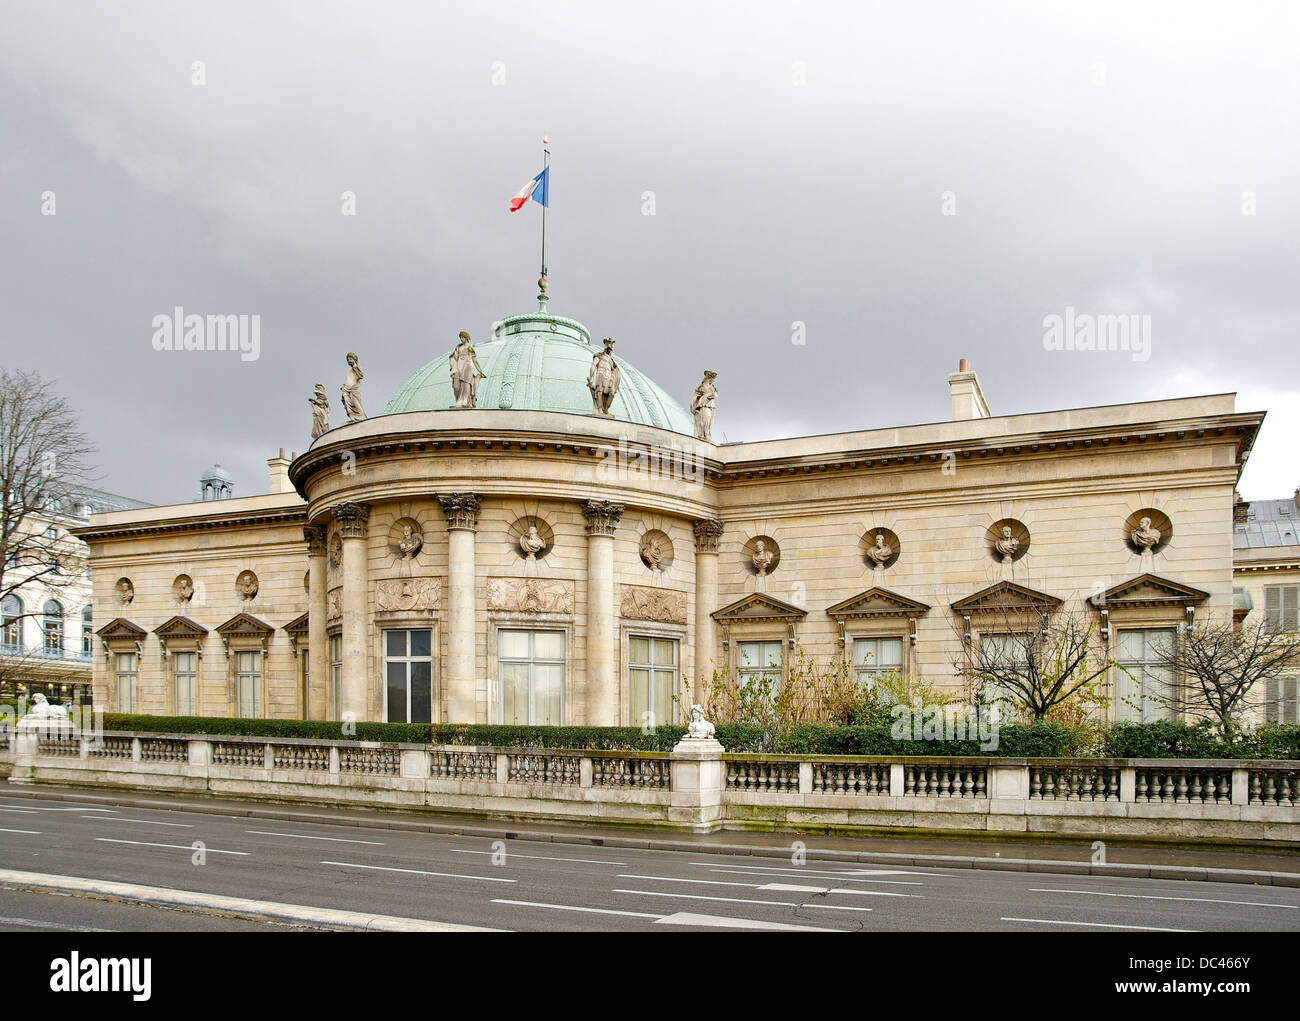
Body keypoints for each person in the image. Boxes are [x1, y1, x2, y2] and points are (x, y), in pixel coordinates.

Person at [449, 332, 486, 409]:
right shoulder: (458, 347)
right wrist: (453, 367)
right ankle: (458, 401)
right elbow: (454, 357)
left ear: (466, 338)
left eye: (462, 337)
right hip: (459, 366)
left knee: (466, 384)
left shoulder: (469, 348)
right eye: (460, 338)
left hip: (467, 367)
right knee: (456, 386)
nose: (461, 339)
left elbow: (474, 360)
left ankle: (464, 401)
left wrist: (480, 371)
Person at [588, 338, 620, 416]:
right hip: (600, 374)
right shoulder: (599, 355)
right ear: (605, 348)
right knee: (599, 392)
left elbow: (615, 371)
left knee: (612, 393)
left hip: (609, 377)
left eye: (610, 349)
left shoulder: (612, 361)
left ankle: (606, 408)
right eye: (608, 348)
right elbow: (593, 365)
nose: (609, 350)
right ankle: (600, 410)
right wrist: (591, 376)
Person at [691, 370, 718, 441]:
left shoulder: (712, 387)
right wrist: (693, 407)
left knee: (709, 422)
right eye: (712, 379)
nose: (713, 380)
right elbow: (695, 397)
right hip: (704, 406)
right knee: (705, 420)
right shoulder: (702, 387)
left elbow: (715, 395)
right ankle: (703, 435)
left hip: (711, 406)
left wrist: (713, 395)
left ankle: (707, 435)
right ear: (708, 378)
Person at [341, 353, 366, 422]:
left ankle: (361, 417)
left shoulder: (357, 368)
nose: (349, 361)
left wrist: (355, 367)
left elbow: (361, 376)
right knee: (347, 403)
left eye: (350, 359)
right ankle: (353, 418)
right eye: (348, 360)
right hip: (347, 389)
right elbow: (349, 380)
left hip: (354, 389)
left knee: (355, 403)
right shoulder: (349, 370)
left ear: (355, 360)